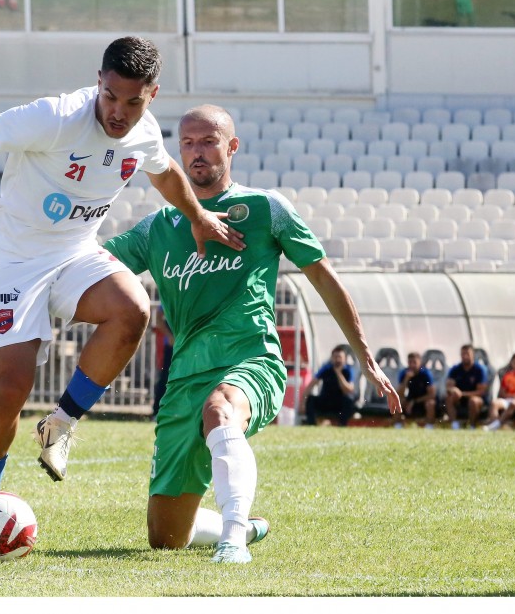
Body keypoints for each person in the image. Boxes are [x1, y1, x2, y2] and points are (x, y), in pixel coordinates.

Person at [0, 37, 244, 501]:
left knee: (132, 309)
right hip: (13, 260)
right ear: (98, 81)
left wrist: (198, 217)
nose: (118, 112)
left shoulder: (144, 132)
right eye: (110, 96)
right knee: (11, 388)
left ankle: (61, 424)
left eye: (132, 102)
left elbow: (166, 172)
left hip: (74, 252)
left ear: (152, 95)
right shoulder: (55, 117)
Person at [103, 104, 401, 563]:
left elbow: (322, 277)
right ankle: (246, 525)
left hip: (252, 358)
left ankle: (233, 541)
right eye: (188, 144)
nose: (197, 153)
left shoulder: (265, 208)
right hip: (184, 378)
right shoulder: (158, 227)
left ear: (232, 146)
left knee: (220, 409)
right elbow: (97, 266)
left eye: (209, 141)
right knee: (166, 537)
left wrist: (364, 355)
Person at [302, 345, 357, 427]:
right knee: (310, 399)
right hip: (326, 401)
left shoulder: (348, 370)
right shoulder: (326, 369)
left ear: (344, 359)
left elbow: (348, 390)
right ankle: (312, 425)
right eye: (335, 357)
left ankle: (341, 425)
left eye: (340, 357)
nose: (337, 360)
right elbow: (311, 385)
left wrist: (338, 373)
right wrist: (303, 402)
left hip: (339, 403)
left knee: (349, 401)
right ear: (331, 358)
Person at [445, 344, 489, 429]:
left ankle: (471, 426)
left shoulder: (480, 370)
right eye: (463, 354)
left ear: (473, 355)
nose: (465, 356)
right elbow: (449, 386)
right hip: (460, 399)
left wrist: (462, 394)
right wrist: (453, 389)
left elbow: (481, 392)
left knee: (473, 401)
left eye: (467, 354)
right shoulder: (455, 369)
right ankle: (455, 425)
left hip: (476, 399)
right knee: (448, 398)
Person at [394, 351, 437, 429]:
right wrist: (406, 379)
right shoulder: (404, 373)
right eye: (410, 362)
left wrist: (414, 401)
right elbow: (399, 393)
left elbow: (431, 394)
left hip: (422, 401)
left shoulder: (425, 374)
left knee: (430, 403)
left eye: (414, 362)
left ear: (420, 362)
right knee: (397, 401)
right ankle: (397, 426)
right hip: (409, 400)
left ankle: (429, 427)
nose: (412, 365)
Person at [151, 305, 173, 420]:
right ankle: (157, 412)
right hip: (172, 346)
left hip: (188, 345)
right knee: (165, 378)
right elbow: (158, 317)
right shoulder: (171, 295)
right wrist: (169, 336)